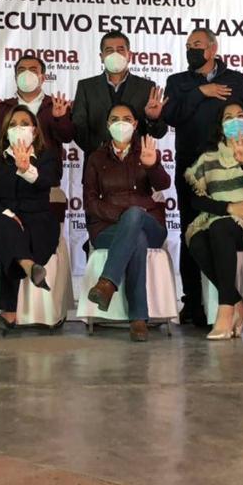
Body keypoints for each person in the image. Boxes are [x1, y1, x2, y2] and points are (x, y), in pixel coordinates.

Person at [164, 28, 243, 326]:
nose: (191, 50)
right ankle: (192, 304)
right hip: (191, 167)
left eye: (197, 45)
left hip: (230, 168)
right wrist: (200, 92)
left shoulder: (236, 80)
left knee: (223, 230)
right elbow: (171, 116)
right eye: (188, 45)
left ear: (213, 49)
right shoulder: (177, 82)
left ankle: (230, 300)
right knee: (191, 231)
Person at [184, 100, 243, 340]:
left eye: (239, 116)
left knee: (220, 227)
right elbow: (196, 200)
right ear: (220, 125)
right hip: (219, 217)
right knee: (197, 240)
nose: (235, 121)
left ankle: (225, 309)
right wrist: (228, 207)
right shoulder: (208, 158)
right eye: (228, 117)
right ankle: (238, 303)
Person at [82, 104, 171, 342]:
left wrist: (152, 166)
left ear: (135, 124)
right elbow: (90, 201)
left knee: (136, 218)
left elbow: (163, 184)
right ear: (107, 125)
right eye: (114, 119)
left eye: (126, 118)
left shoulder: (145, 151)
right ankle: (138, 319)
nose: (120, 123)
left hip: (150, 224)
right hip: (107, 228)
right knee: (135, 236)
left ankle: (107, 283)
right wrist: (124, 218)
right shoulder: (96, 158)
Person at [0, 106, 61, 331]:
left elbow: (49, 181)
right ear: (5, 131)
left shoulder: (47, 156)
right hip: (1, 219)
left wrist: (27, 170)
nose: (18, 128)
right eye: (12, 124)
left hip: (38, 222)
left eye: (24, 123)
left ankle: (9, 313)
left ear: (35, 131)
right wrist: (10, 215)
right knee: (5, 227)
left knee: (10, 241)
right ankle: (29, 266)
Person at [71, 30, 168, 159]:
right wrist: (100, 153)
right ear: (101, 56)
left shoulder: (147, 87)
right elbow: (79, 128)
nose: (115, 54)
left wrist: (153, 119)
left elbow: (159, 133)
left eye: (120, 50)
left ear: (129, 55)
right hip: (97, 163)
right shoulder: (86, 87)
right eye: (109, 50)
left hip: (136, 163)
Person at [0, 53, 75, 180]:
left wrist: (59, 119)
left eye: (33, 70)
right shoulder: (2, 109)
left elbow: (67, 137)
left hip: (45, 176)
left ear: (43, 78)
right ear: (16, 78)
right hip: (8, 177)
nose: (27, 74)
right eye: (21, 70)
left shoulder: (56, 106)